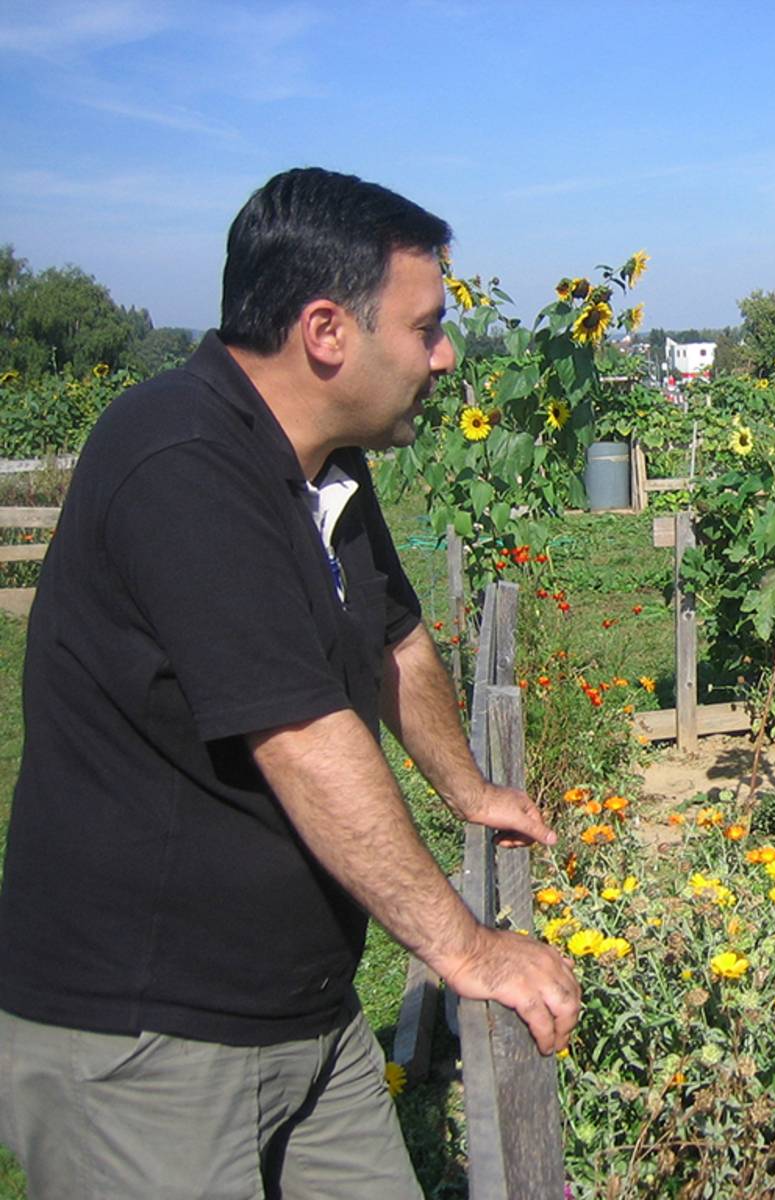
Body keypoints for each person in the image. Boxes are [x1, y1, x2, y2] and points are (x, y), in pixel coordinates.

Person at [0, 167, 580, 1199]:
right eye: (427, 327)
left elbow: (396, 644)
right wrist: (469, 949)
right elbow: (306, 739)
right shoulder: (179, 460)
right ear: (326, 333)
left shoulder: (323, 469)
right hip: (144, 1043)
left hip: (304, 1015)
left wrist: (469, 791)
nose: (446, 356)